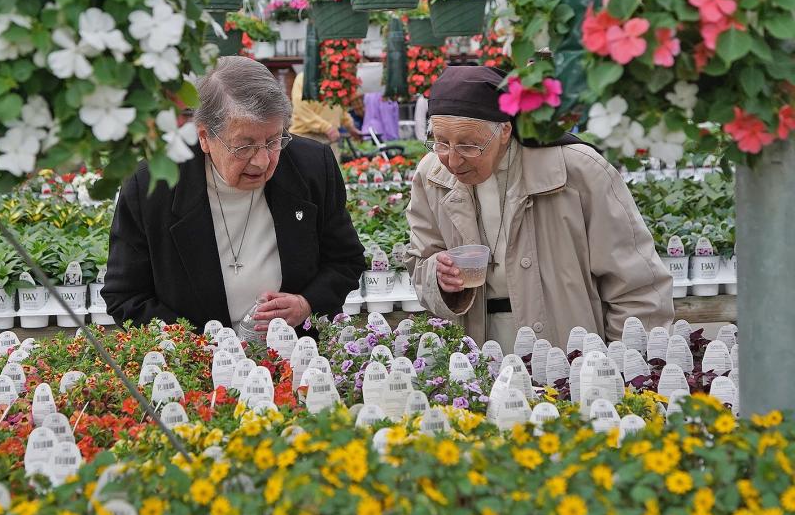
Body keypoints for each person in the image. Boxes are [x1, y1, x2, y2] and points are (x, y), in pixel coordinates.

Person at [406, 65, 673, 352]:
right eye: (441, 143)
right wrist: (439, 277)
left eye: (469, 146)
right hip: (477, 353)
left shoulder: (577, 170)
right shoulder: (431, 176)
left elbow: (637, 284)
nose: (453, 161)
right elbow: (420, 263)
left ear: (505, 129)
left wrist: (626, 366)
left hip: (571, 348)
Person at [103, 56, 365, 334]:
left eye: (274, 141)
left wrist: (306, 303)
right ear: (204, 136)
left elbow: (345, 259)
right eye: (244, 146)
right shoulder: (151, 186)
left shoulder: (311, 165)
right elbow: (125, 297)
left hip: (297, 354)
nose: (262, 161)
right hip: (193, 363)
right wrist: (199, 344)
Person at [288, 72, 361, 160]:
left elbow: (339, 107)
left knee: (331, 172)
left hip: (331, 140)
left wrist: (350, 126)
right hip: (305, 138)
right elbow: (301, 109)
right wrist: (327, 128)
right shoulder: (303, 78)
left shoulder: (335, 77)